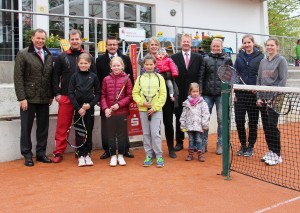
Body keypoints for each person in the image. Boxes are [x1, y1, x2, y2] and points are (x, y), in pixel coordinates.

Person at [52, 29, 97, 163]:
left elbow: (95, 78)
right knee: (62, 126)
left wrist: (93, 97)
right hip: (66, 97)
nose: (75, 41)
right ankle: (58, 152)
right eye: (72, 39)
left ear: (81, 40)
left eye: (77, 39)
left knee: (82, 127)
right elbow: (55, 76)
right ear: (69, 40)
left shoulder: (88, 56)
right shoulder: (62, 56)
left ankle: (81, 151)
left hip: (83, 100)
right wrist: (57, 93)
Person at [14, 28, 53, 166]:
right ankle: (27, 155)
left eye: (43, 38)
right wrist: (21, 98)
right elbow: (18, 77)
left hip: (44, 98)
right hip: (28, 98)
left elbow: (49, 77)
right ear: (32, 38)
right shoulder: (23, 54)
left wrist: (50, 94)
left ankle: (41, 154)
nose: (40, 41)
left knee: (43, 128)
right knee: (26, 128)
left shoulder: (48, 54)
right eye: (38, 38)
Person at [96, 37, 134, 160]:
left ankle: (125, 150)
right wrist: (101, 102)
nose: (112, 46)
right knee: (106, 128)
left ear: (118, 46)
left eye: (114, 44)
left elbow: (130, 79)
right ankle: (107, 150)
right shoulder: (99, 60)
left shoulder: (126, 59)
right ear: (106, 46)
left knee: (123, 129)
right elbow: (98, 80)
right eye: (110, 44)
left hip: (122, 103)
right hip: (106, 101)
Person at [142, 37, 178, 158]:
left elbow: (173, 71)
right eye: (151, 44)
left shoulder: (166, 56)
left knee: (168, 122)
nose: (153, 46)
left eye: (155, 44)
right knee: (153, 126)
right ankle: (154, 150)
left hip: (165, 95)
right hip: (150, 97)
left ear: (158, 46)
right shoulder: (145, 60)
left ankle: (171, 149)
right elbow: (143, 76)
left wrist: (164, 74)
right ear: (148, 46)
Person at [256, 37, 288, 166]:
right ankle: (271, 151)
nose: (269, 47)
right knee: (266, 126)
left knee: (272, 125)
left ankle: (277, 154)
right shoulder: (263, 62)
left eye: (272, 45)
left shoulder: (281, 60)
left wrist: (273, 98)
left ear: (277, 46)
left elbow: (282, 80)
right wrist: (258, 97)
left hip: (276, 98)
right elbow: (258, 80)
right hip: (263, 98)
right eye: (268, 45)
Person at [171, 33, 204, 152]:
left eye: (188, 41)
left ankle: (195, 143)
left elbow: (201, 75)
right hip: (179, 93)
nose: (186, 43)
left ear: (191, 43)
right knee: (180, 117)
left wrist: (199, 91)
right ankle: (179, 142)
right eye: (184, 41)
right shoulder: (173, 57)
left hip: (193, 94)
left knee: (195, 118)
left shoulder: (199, 58)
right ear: (180, 43)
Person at [132, 54, 167, 167]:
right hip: (143, 110)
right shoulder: (140, 78)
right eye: (146, 64)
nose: (148, 66)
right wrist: (143, 103)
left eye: (151, 64)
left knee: (155, 133)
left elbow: (163, 95)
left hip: (156, 111)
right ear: (144, 65)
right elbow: (135, 93)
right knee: (146, 133)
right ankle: (148, 155)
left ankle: (159, 156)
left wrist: (154, 108)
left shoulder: (160, 78)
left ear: (155, 65)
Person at [234, 34, 264, 157]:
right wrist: (235, 92)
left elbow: (262, 75)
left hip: (253, 95)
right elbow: (234, 75)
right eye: (245, 43)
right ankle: (243, 145)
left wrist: (258, 90)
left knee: (253, 122)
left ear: (253, 43)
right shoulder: (239, 57)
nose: (247, 45)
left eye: (249, 42)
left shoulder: (261, 57)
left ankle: (251, 146)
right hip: (240, 94)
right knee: (239, 120)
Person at [68, 53, 100, 167]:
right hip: (78, 109)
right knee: (79, 132)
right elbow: (71, 93)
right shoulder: (74, 76)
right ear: (78, 64)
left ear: (89, 64)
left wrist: (90, 105)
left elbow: (97, 93)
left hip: (89, 109)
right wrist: (78, 108)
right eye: (81, 63)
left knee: (88, 132)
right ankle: (81, 155)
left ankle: (87, 155)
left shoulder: (94, 76)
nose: (83, 65)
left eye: (85, 63)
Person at [202, 38, 233, 155]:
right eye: (213, 46)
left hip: (221, 95)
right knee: (205, 119)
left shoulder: (227, 60)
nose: (215, 48)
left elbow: (230, 77)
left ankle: (220, 143)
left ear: (221, 47)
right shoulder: (205, 59)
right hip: (207, 94)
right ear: (211, 47)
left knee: (221, 120)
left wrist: (229, 92)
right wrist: (200, 92)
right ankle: (203, 143)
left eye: (217, 46)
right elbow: (201, 76)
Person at [101, 57, 133, 167]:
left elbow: (130, 96)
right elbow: (103, 95)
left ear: (122, 66)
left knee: (121, 135)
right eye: (114, 65)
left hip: (122, 112)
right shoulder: (106, 79)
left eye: (118, 65)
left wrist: (119, 105)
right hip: (110, 113)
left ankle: (120, 155)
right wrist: (105, 108)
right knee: (110, 135)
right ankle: (113, 156)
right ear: (110, 67)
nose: (116, 67)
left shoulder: (127, 79)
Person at [180, 83, 210, 162]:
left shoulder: (203, 103)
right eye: (193, 91)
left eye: (197, 91)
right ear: (190, 92)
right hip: (189, 126)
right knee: (191, 140)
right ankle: (190, 154)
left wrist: (205, 125)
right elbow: (183, 115)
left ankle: (200, 155)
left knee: (198, 139)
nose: (195, 93)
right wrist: (182, 125)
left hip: (198, 126)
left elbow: (206, 114)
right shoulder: (186, 103)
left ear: (199, 92)